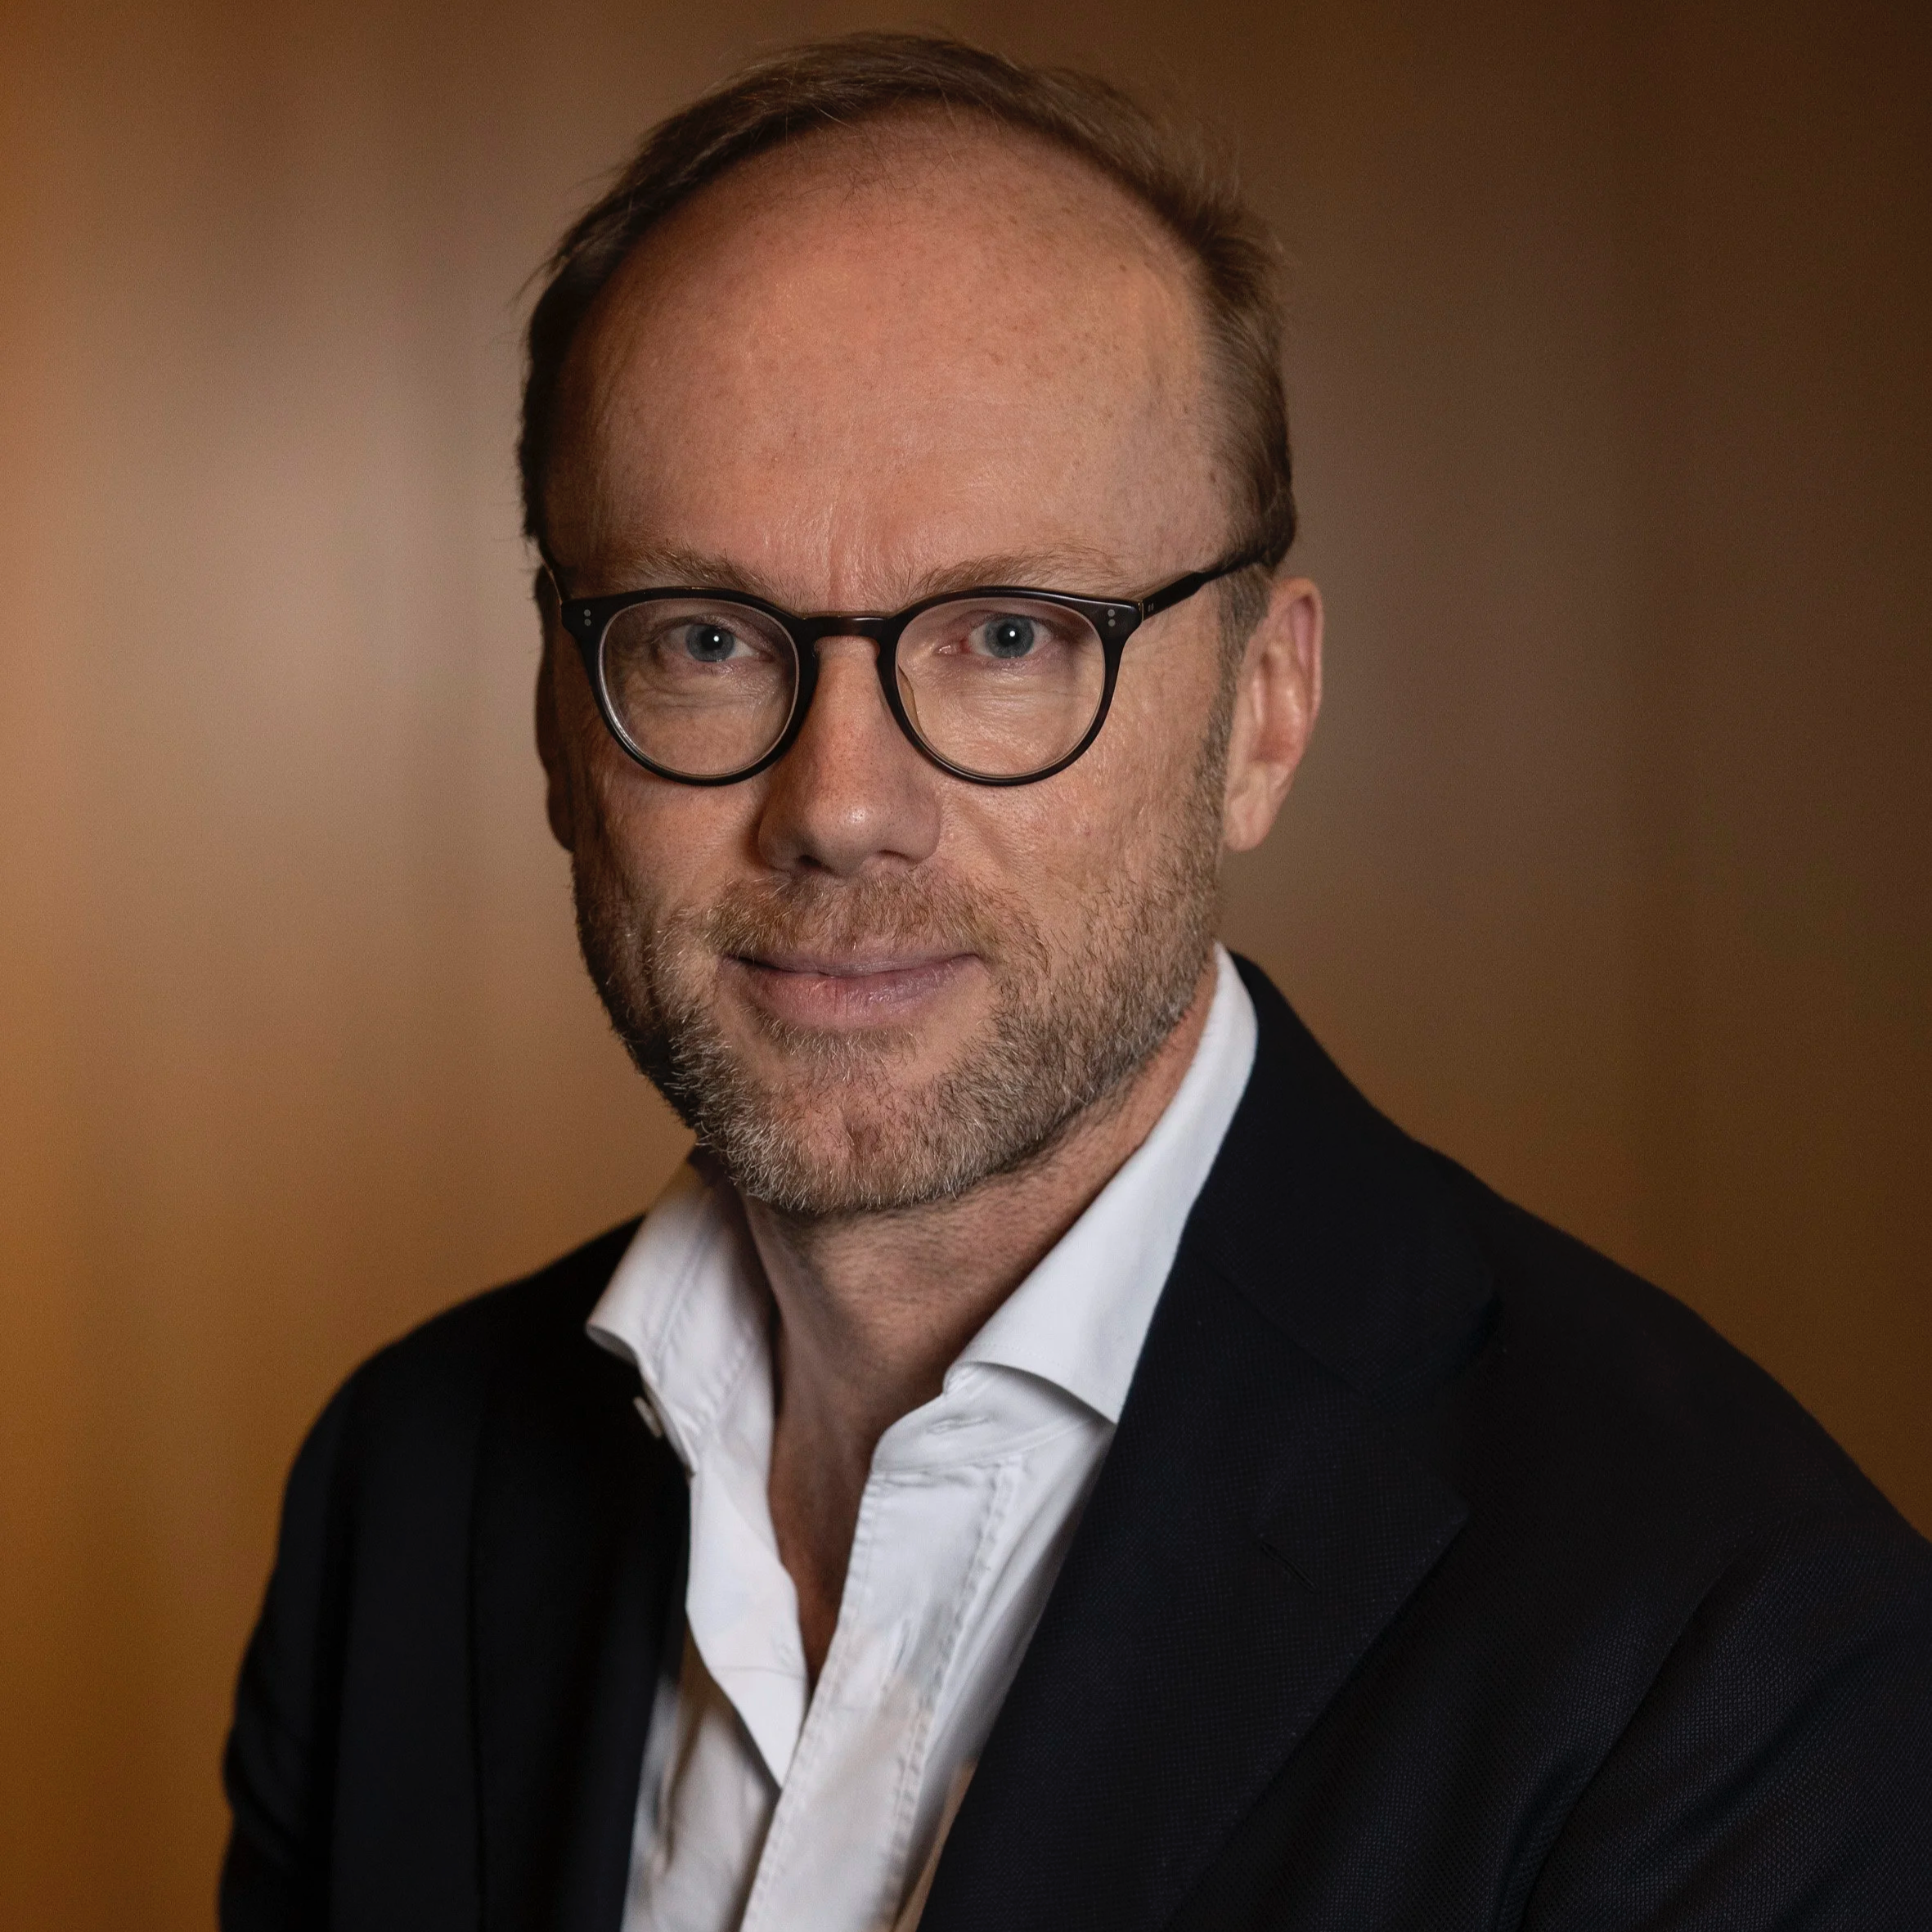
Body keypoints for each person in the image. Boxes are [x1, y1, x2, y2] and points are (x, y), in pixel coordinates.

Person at [218, 32, 1932, 1932]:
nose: (840, 806)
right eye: (705, 637)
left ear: (1260, 711)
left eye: (1009, 635)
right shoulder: (405, 1489)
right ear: (558, 716)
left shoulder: (1730, 1656)